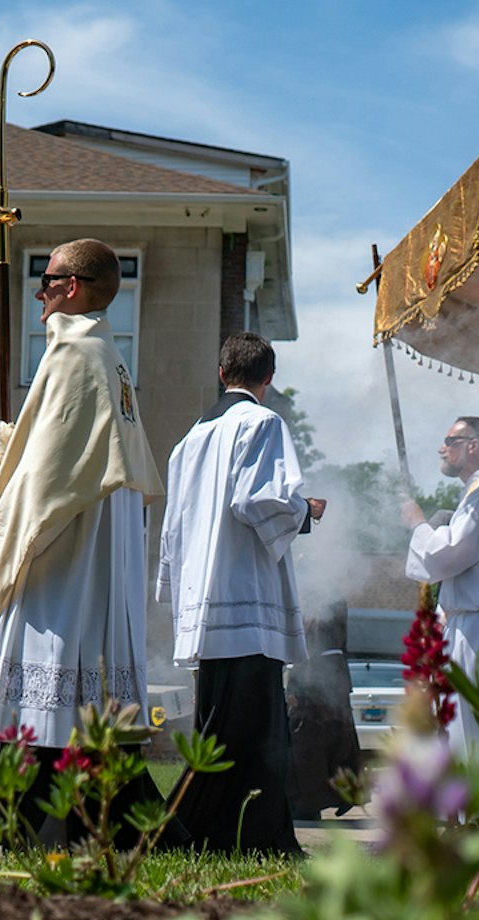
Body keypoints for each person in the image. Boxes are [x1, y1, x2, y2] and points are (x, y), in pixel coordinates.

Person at [0, 238, 169, 844]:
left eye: (46, 280)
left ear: (72, 288)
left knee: (54, 650)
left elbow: (45, 482)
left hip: (70, 546)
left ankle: (43, 813)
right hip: (97, 534)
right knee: (84, 673)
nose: (38, 291)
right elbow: (55, 448)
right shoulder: (107, 353)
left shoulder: (75, 353)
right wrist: (13, 446)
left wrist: (5, 488)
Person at [156, 331, 325, 853]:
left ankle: (218, 831)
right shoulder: (262, 422)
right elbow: (258, 500)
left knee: (221, 727)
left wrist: (172, 589)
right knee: (255, 734)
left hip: (205, 602)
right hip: (245, 600)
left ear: (221, 373)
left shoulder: (190, 438)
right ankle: (228, 834)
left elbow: (173, 525)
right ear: (268, 379)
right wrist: (304, 511)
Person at [402, 415, 479, 824]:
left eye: (449, 440)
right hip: (469, 624)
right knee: (464, 727)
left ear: (474, 445)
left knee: (477, 724)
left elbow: (447, 555)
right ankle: (472, 816)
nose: (443, 448)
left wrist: (419, 524)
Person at [284, 598, 363, 821]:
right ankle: (334, 795)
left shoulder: (327, 596)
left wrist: (297, 682)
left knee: (311, 744)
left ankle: (310, 802)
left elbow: (314, 639)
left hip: (319, 677)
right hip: (319, 676)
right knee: (323, 740)